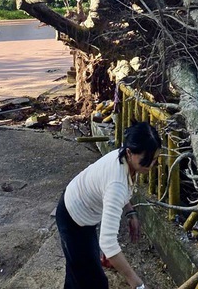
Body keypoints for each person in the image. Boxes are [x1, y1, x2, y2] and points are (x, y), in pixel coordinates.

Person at [58, 121, 161, 289]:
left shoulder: (122, 158)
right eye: (146, 160)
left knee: (78, 271)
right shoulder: (117, 183)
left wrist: (130, 212)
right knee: (94, 283)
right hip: (73, 219)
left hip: (81, 211)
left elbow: (117, 190)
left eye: (155, 159)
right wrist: (137, 283)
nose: (151, 165)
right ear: (129, 152)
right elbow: (108, 243)